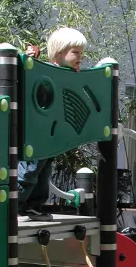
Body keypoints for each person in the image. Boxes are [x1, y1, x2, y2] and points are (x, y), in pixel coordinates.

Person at [18, 27, 88, 221]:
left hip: (52, 134)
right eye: (75, 52)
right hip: (38, 132)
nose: (79, 57)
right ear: (58, 54)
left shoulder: (69, 76)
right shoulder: (47, 74)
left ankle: (34, 205)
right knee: (30, 170)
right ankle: (16, 205)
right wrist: (28, 59)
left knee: (45, 170)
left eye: (81, 53)